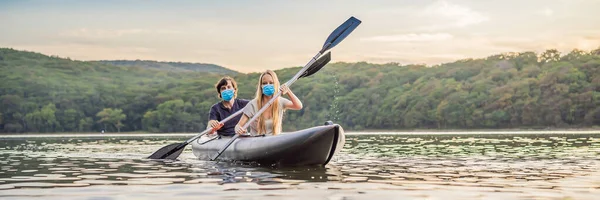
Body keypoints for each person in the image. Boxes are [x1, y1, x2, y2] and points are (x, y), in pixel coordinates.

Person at [235, 70, 303, 136]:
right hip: (257, 140)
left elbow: (298, 106)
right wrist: (239, 129)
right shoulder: (253, 104)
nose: (268, 85)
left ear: (275, 84)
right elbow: (238, 126)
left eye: (271, 83)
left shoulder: (280, 101)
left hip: (274, 140)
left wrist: (288, 91)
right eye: (264, 83)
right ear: (261, 86)